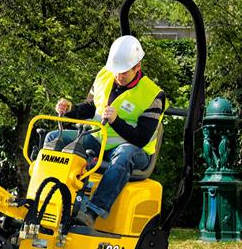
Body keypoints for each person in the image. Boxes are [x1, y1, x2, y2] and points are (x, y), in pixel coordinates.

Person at [50, 35, 166, 227]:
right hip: (98, 139)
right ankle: (48, 199)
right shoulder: (104, 75)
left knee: (124, 155)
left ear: (137, 66)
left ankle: (91, 212)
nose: (118, 76)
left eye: (124, 72)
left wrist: (116, 121)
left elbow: (141, 138)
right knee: (54, 138)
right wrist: (70, 109)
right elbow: (89, 107)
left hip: (134, 150)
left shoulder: (153, 95)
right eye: (116, 71)